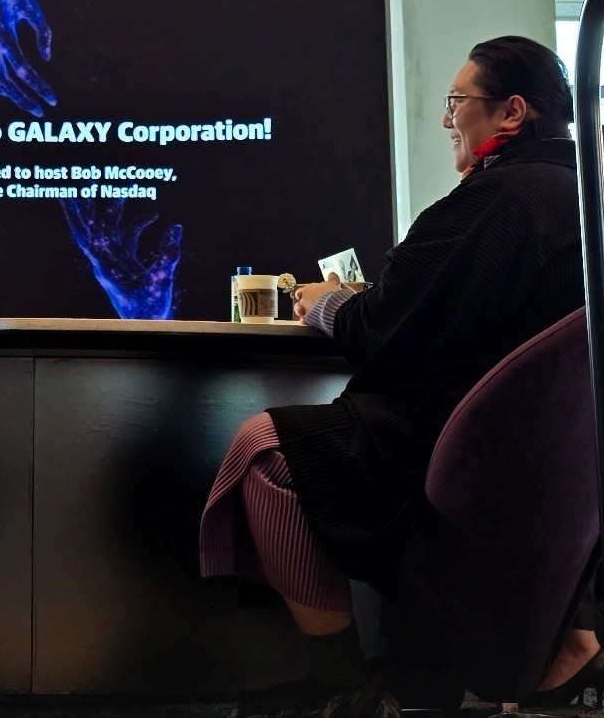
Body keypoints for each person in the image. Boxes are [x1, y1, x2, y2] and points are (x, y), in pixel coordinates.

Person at [200, 35, 590, 714]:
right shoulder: (578, 193)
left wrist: (328, 306)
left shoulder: (505, 197)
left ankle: (342, 684)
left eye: (457, 102)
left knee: (262, 452)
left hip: (454, 439)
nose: (447, 119)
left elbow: (383, 328)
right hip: (543, 458)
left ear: (511, 113)